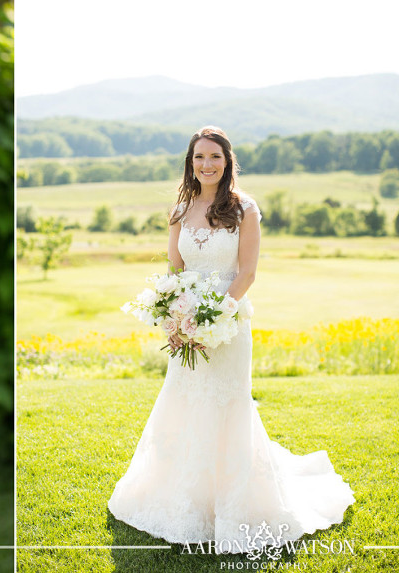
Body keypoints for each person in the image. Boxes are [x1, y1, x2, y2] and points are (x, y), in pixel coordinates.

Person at [107, 126, 354, 553]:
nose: (207, 164)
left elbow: (247, 273)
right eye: (199, 157)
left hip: (228, 326)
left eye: (215, 157)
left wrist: (211, 320)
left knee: (226, 408)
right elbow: (175, 268)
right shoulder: (181, 209)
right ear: (190, 162)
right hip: (186, 327)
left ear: (228, 161)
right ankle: (185, 500)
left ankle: (234, 504)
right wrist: (175, 317)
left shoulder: (245, 209)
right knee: (184, 405)